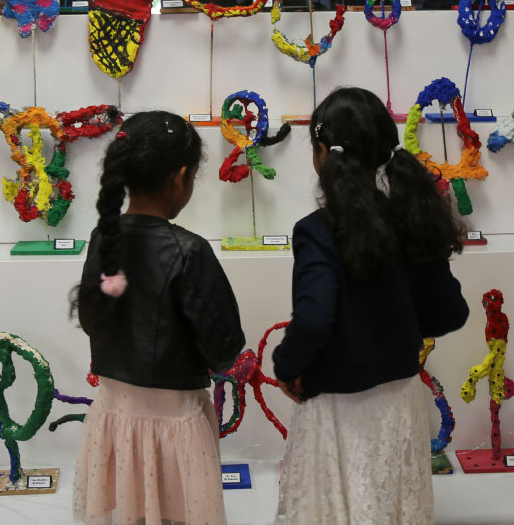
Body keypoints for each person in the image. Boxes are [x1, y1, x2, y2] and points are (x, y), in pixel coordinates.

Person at [273, 87, 470, 525]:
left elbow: (315, 315)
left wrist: (286, 366)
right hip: (398, 408)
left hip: (337, 417)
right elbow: (450, 313)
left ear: (321, 153)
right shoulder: (411, 217)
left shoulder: (316, 231)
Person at [71, 111, 245, 525]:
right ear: (181, 178)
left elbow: (94, 318)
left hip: (114, 413)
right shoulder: (188, 251)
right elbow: (224, 347)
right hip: (174, 421)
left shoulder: (103, 238)